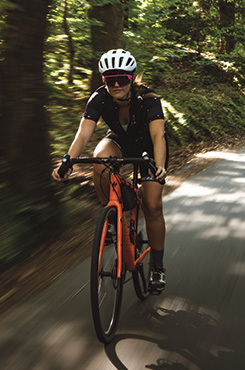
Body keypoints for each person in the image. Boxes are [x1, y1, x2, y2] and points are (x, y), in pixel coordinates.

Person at [52, 49, 169, 293]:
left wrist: (159, 166)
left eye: (122, 79)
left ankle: (157, 267)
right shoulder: (99, 98)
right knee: (100, 158)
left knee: (153, 206)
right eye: (109, 79)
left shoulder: (149, 98)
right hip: (119, 140)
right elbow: (83, 133)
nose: (116, 84)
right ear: (103, 80)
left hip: (148, 145)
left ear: (132, 78)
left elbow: (158, 134)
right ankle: (113, 217)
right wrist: (68, 161)